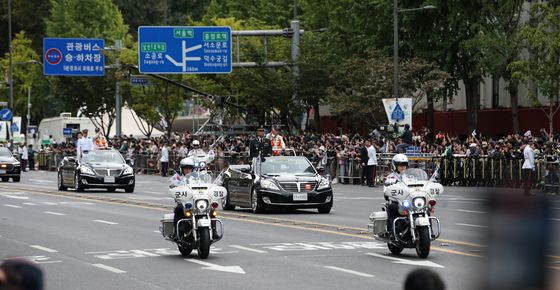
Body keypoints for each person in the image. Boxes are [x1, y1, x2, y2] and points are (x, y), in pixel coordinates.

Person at [385, 154, 410, 238]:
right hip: (397, 202)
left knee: (425, 210)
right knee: (392, 207)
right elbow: (386, 192)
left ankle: (429, 232)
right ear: (395, 166)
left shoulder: (410, 177)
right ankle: (392, 231)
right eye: (400, 165)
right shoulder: (390, 177)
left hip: (410, 202)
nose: (403, 167)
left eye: (405, 165)